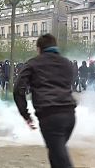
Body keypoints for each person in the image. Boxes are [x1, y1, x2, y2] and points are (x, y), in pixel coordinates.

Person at [13, 34, 76, 168]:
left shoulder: (33, 63)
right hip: (70, 116)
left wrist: (25, 115)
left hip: (50, 116)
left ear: (39, 49)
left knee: (60, 157)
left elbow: (18, 90)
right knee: (55, 153)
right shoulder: (67, 63)